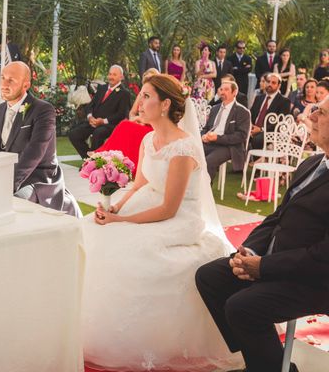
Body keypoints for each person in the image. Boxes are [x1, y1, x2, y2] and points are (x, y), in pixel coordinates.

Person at [82, 74, 239, 371]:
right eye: (140, 95)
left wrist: (122, 220)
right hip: (146, 203)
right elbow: (140, 182)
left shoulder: (184, 148)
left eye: (146, 96)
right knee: (91, 229)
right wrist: (113, 207)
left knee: (133, 251)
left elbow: (169, 208)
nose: (139, 102)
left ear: (165, 104)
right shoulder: (147, 138)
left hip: (178, 219)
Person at [196, 95, 329, 372]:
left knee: (242, 307)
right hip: (280, 262)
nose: (311, 117)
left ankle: (268, 365)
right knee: (210, 277)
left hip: (316, 278)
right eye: (315, 109)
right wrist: (249, 253)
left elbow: (322, 256)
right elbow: (278, 217)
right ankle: (265, 362)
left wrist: (263, 267)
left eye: (322, 113)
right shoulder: (312, 163)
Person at [0, 61, 80, 217]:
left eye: (12, 80)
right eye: (3, 78)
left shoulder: (43, 110)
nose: (4, 84)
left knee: (11, 203)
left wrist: (7, 185)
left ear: (26, 85)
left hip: (37, 178)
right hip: (6, 174)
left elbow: (34, 153)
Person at [94, 68, 158, 170]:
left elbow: (158, 116)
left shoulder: (158, 95)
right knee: (125, 124)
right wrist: (135, 119)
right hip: (140, 122)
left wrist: (143, 120)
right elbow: (132, 112)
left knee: (126, 126)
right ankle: (109, 158)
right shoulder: (142, 93)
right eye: (147, 79)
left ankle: (120, 162)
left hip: (153, 126)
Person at [68, 65, 131, 159]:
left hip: (110, 125)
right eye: (110, 74)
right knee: (73, 134)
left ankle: (93, 161)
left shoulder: (124, 93)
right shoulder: (102, 88)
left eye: (114, 74)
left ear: (121, 77)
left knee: (98, 133)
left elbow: (122, 114)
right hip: (93, 122)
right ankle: (88, 159)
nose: (111, 77)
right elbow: (91, 105)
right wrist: (90, 117)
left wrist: (103, 121)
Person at [201, 81, 251, 182]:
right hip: (210, 142)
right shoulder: (215, 109)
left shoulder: (243, 112)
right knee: (192, 154)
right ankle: (191, 187)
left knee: (209, 162)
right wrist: (202, 136)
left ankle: (205, 193)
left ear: (234, 92)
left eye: (226, 89)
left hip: (229, 146)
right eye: (221, 89)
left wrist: (217, 138)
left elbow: (241, 136)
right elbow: (206, 128)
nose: (223, 92)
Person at [249, 73, 292, 150]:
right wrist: (250, 127)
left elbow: (280, 123)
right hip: (253, 129)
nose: (270, 84)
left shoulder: (284, 101)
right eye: (268, 82)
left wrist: (260, 129)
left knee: (257, 140)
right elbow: (251, 115)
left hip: (269, 133)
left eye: (273, 83)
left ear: (279, 86)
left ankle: (253, 161)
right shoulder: (259, 98)